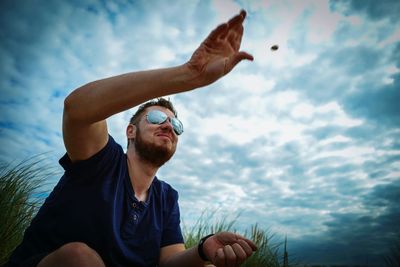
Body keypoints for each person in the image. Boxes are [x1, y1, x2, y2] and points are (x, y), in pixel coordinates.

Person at [7, 10, 257, 267]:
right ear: (130, 131)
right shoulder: (102, 161)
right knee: (78, 257)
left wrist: (204, 249)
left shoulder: (166, 197)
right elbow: (76, 110)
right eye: (158, 118)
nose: (168, 126)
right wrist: (189, 76)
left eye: (176, 124)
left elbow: (169, 262)